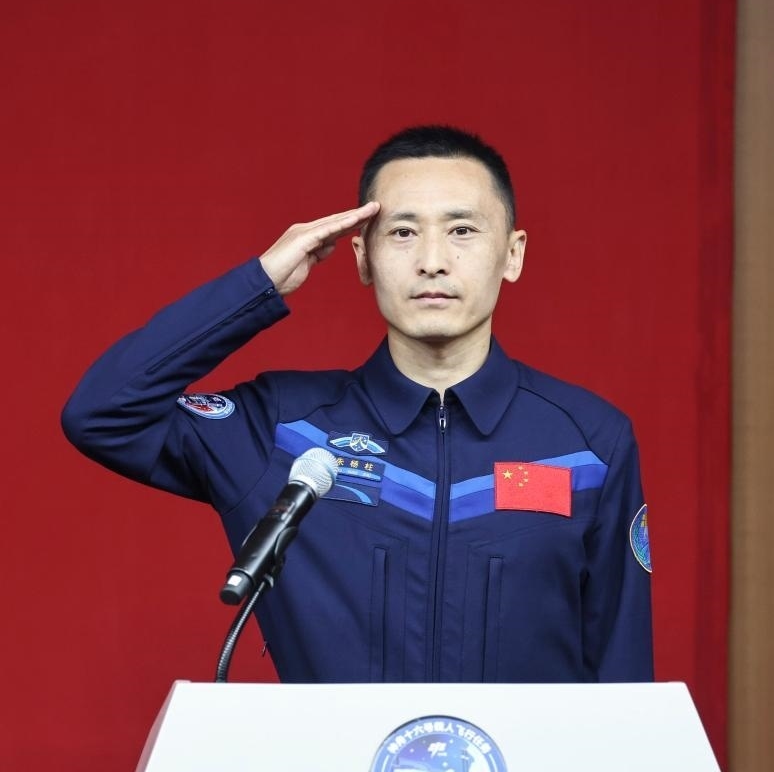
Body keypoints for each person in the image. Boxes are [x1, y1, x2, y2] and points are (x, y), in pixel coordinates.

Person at [62, 124, 653, 684]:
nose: (432, 260)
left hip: (519, 765)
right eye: (402, 232)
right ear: (362, 257)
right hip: (329, 763)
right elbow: (102, 413)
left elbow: (624, 680)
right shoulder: (285, 431)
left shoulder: (588, 445)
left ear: (513, 253)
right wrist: (260, 283)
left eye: (462, 230)